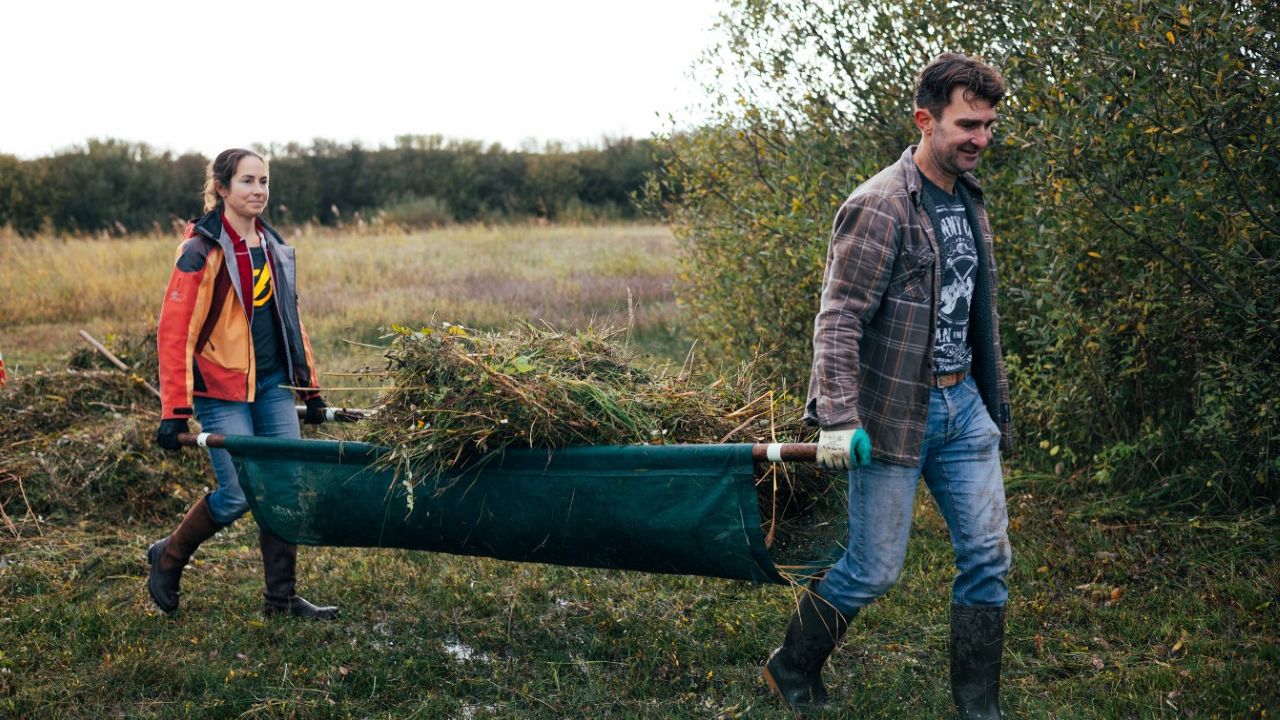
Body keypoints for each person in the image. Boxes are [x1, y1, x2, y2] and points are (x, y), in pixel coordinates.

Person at [764, 54, 1013, 718]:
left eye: (989, 125)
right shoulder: (878, 205)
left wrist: (984, 402)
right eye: (967, 124)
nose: (980, 139)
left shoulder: (966, 197)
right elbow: (839, 319)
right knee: (873, 570)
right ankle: (791, 667)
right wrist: (840, 419)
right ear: (924, 119)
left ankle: (978, 709)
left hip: (964, 406)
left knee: (989, 557)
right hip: (894, 413)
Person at [148, 148, 337, 620]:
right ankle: (168, 557)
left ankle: (281, 600)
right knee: (237, 494)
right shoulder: (201, 249)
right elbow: (175, 332)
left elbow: (290, 320)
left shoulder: (272, 244)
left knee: (285, 487)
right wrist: (174, 409)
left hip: (272, 384)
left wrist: (309, 390)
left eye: (264, 181)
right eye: (248, 182)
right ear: (222, 188)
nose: (258, 191)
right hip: (221, 387)